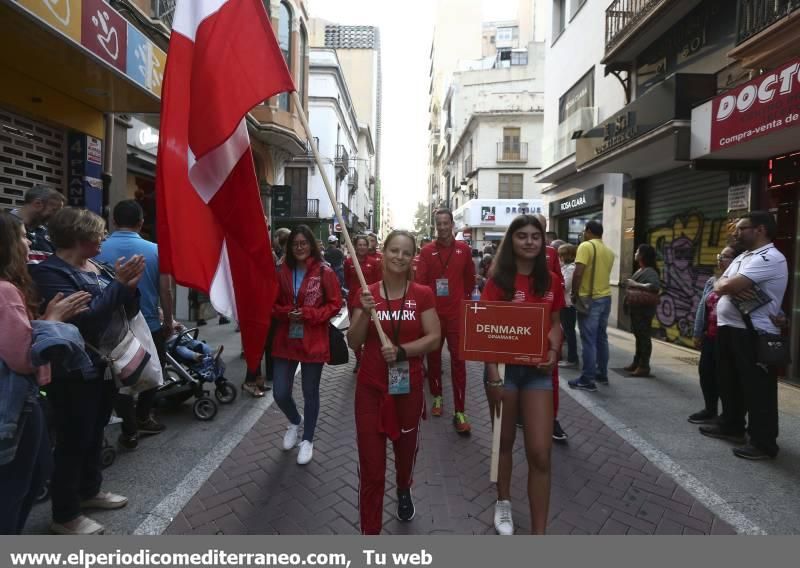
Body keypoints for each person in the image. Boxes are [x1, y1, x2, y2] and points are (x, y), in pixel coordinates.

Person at [30, 207, 145, 535]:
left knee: (96, 432)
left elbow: (126, 308)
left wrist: (130, 287)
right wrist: (118, 286)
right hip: (73, 371)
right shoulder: (50, 274)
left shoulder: (98, 267)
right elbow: (88, 320)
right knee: (73, 439)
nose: (103, 238)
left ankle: (90, 491)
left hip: (105, 365)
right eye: (98, 234)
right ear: (80, 238)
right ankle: (64, 514)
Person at [0, 212, 91, 534]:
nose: (29, 243)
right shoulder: (7, 291)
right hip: (18, 400)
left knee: (36, 472)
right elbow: (24, 357)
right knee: (17, 483)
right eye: (23, 236)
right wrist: (53, 320)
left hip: (21, 400)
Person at [347, 230, 440, 534]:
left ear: (413, 257)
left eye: (406, 252)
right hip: (371, 389)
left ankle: (403, 487)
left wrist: (401, 351)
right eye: (394, 250)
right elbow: (353, 342)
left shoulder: (422, 293)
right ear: (383, 252)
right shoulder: (366, 291)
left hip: (408, 389)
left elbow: (434, 338)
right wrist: (364, 313)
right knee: (372, 470)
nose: (399, 257)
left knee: (404, 452)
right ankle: (369, 533)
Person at [481, 215, 563, 535]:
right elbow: (484, 331)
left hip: (537, 374)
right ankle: (503, 503)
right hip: (503, 373)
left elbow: (556, 324)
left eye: (535, 236)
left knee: (540, 453)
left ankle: (539, 533)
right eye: (522, 236)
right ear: (511, 242)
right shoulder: (497, 280)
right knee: (504, 442)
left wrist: (554, 353)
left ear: (543, 242)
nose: (529, 241)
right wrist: (493, 375)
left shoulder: (552, 281)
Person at [699, 212, 787, 460]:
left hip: (753, 333)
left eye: (741, 228)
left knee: (758, 389)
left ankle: (763, 443)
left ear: (760, 230)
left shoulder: (770, 257)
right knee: (729, 381)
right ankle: (732, 426)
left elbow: (726, 286)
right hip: (730, 328)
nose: (735, 233)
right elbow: (721, 281)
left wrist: (724, 284)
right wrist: (723, 283)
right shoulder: (743, 257)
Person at [94, 200, 169, 449]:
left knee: (117, 378)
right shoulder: (156, 250)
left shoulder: (96, 249)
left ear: (113, 221)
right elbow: (165, 290)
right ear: (141, 222)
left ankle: (129, 427)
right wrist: (168, 320)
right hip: (148, 324)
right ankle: (143, 416)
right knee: (154, 371)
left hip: (108, 329)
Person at [271, 225, 342, 465]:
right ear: (289, 247)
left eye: (304, 243)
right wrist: (285, 312)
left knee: (310, 392)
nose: (300, 247)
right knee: (280, 391)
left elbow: (334, 304)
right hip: (285, 338)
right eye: (295, 244)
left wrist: (309, 314)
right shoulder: (281, 270)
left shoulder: (325, 272)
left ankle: (308, 439)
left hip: (313, 340)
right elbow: (271, 303)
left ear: (311, 245)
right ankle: (294, 420)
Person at [415, 208, 476, 432]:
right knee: (433, 358)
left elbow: (469, 280)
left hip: (456, 315)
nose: (442, 227)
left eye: (445, 223)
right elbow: (420, 283)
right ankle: (437, 396)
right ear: (435, 225)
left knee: (459, 360)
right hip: (433, 315)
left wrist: (463, 301)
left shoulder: (463, 250)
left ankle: (460, 410)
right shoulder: (426, 251)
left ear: (452, 224)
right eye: (438, 223)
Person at [689, 246, 737, 424]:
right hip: (710, 335)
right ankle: (710, 409)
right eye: (720, 256)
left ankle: (729, 415)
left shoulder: (740, 281)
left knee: (725, 377)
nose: (720, 259)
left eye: (725, 257)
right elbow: (703, 306)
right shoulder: (713, 280)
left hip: (728, 336)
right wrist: (697, 332)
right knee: (706, 372)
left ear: (736, 260)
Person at [568, 221, 615, 392]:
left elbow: (578, 271)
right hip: (606, 297)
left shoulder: (586, 246)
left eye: (584, 231)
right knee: (601, 338)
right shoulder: (609, 252)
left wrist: (574, 293)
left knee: (588, 340)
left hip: (590, 298)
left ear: (588, 231)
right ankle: (601, 373)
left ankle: (587, 379)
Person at [532, 214, 567, 442]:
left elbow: (559, 284)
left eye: (540, 230)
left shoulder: (552, 254)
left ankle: (552, 419)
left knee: (550, 375)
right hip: (522, 327)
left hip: (546, 325)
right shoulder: (512, 257)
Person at [623, 244, 661, 377]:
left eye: (637, 251)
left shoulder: (650, 271)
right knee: (639, 336)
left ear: (642, 255)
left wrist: (635, 284)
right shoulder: (641, 269)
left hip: (644, 310)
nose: (635, 253)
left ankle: (644, 366)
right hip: (637, 309)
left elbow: (655, 286)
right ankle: (637, 362)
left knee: (643, 337)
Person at [344, 235, 380, 373]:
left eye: (364, 245)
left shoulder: (374, 262)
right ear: (355, 246)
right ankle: (359, 360)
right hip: (354, 301)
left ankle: (372, 360)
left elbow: (378, 281)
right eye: (359, 245)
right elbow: (347, 280)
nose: (362, 247)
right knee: (355, 329)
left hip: (371, 301)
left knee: (371, 330)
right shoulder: (348, 262)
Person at [10, 185, 65, 263]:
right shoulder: (5, 226)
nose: (56, 216)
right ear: (37, 203)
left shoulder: (50, 232)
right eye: (54, 210)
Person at [558, 244, 579, 369]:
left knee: (569, 331)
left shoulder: (571, 268)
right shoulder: (565, 267)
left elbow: (565, 285)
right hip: (564, 303)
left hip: (567, 304)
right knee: (566, 331)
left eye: (560, 254)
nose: (558, 257)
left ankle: (572, 359)